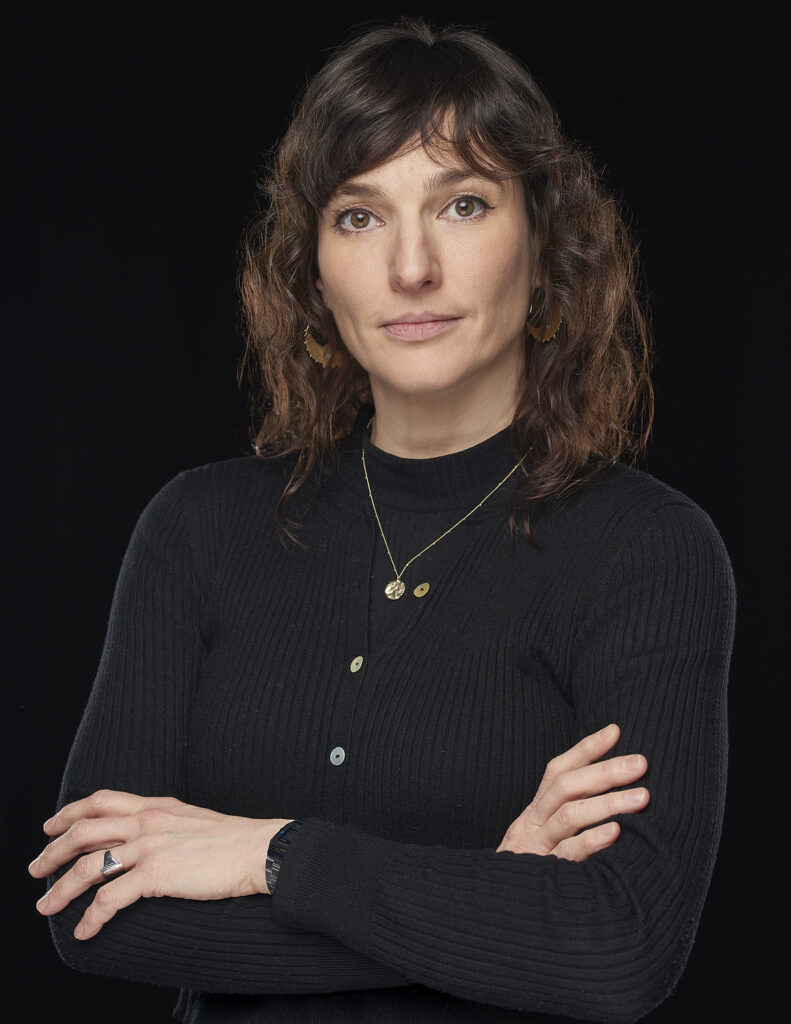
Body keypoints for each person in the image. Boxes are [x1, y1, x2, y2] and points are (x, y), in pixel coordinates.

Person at [29, 20, 735, 1024]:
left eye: (460, 204)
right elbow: (91, 905)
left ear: (542, 248)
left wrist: (265, 854)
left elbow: (615, 946)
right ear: (314, 272)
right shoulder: (197, 529)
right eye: (359, 216)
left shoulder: (645, 551)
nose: (410, 267)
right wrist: (485, 897)